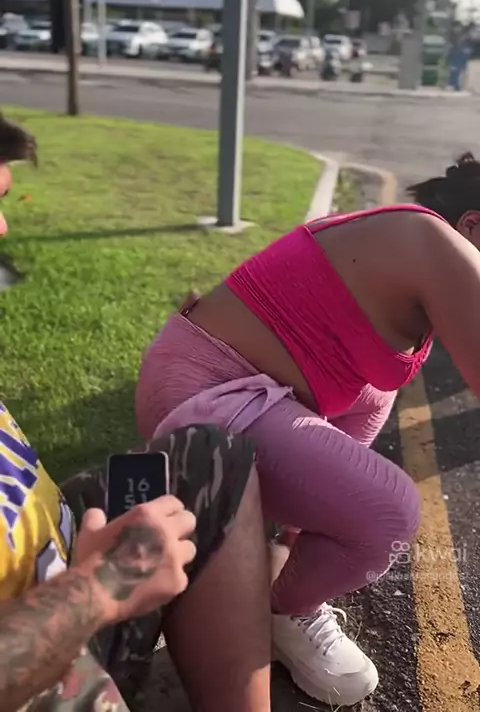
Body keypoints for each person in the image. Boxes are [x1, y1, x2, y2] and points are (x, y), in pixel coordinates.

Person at [136, 151, 480, 708]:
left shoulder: (417, 244)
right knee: (391, 512)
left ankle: (289, 546)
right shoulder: (435, 246)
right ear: (473, 226)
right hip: (201, 402)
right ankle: (283, 610)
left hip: (230, 386)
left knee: (376, 390)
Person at [0, 115, 272, 712]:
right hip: (35, 659)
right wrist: (101, 588)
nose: (2, 227)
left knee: (212, 455)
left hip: (59, 556)